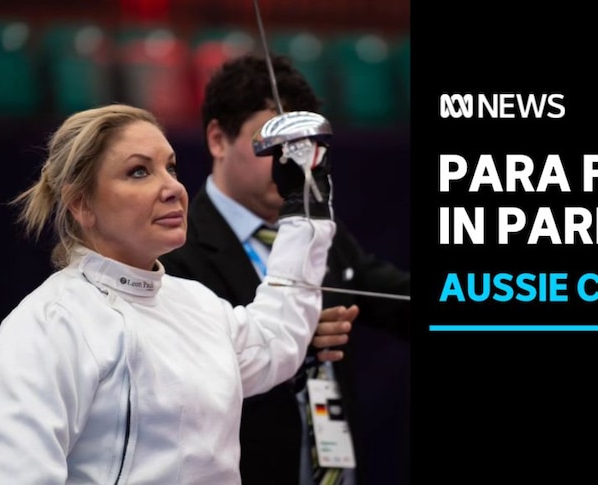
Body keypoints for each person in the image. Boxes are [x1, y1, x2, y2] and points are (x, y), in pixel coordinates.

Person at [0, 103, 336, 484]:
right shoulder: (50, 325)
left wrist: (305, 209)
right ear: (80, 204)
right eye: (139, 172)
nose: (173, 188)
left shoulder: (197, 304)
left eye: (170, 167)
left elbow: (275, 339)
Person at [159, 53, 411, 484]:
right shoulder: (172, 251)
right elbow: (171, 383)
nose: (288, 162)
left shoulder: (319, 234)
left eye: (302, 146)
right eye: (271, 142)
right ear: (218, 139)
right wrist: (286, 339)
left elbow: (397, 299)